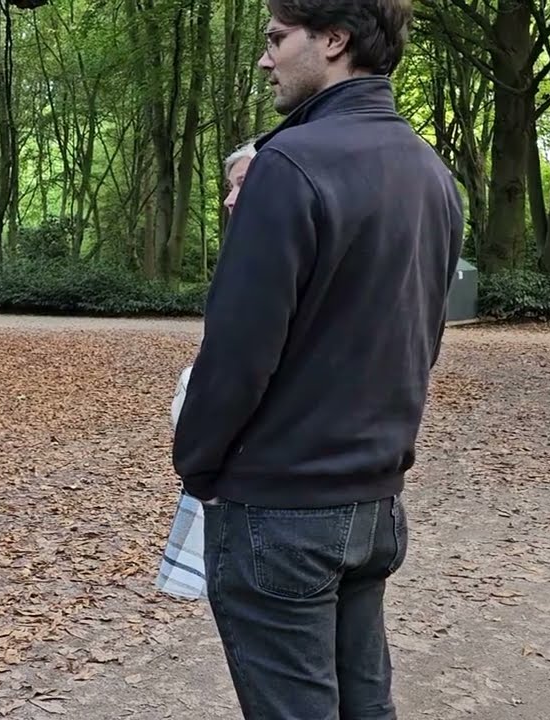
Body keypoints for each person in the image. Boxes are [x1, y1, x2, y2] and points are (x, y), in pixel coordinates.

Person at [172, 0, 463, 717]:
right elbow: (423, 339)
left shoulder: (289, 165)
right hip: (375, 507)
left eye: (277, 38)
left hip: (281, 509)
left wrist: (199, 466)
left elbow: (237, 354)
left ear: (334, 40)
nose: (265, 57)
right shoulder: (432, 174)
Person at [155, 140, 257, 601]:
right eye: (229, 187)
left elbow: (236, 372)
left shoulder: (268, 264)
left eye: (241, 185)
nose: (229, 199)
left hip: (260, 487)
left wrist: (198, 471)